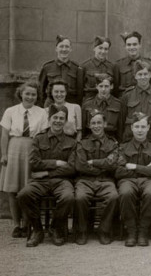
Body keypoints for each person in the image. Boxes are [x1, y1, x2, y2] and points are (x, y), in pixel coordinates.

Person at [18, 105, 76, 247]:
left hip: (62, 181)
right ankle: (37, 230)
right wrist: (56, 162)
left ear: (65, 121)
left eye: (61, 118)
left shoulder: (72, 142)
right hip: (40, 181)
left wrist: (47, 171)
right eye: (55, 118)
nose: (58, 121)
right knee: (23, 195)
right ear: (49, 120)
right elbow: (34, 162)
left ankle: (55, 227)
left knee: (68, 197)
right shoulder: (38, 139)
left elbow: (72, 167)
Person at [0, 81, 48, 238]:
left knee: (28, 189)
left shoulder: (42, 113)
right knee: (13, 189)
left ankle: (27, 224)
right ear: (20, 94)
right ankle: (16, 224)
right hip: (14, 148)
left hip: (32, 149)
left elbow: (43, 136)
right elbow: (5, 134)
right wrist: (4, 154)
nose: (30, 97)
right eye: (27, 93)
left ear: (37, 96)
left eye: (33, 94)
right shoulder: (11, 111)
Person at [74, 109, 119, 245]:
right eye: (93, 123)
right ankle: (82, 231)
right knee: (80, 197)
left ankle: (103, 230)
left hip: (106, 180)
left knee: (113, 197)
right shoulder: (82, 143)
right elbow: (80, 166)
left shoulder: (113, 143)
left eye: (99, 122)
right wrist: (102, 166)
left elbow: (113, 164)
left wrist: (92, 162)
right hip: (85, 180)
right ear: (89, 125)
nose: (96, 126)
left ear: (105, 124)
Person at [115, 112, 151, 247]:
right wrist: (146, 169)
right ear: (132, 128)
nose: (140, 130)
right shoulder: (123, 148)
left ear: (148, 128)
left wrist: (133, 166)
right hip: (128, 180)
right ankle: (131, 231)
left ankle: (143, 231)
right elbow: (118, 171)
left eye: (143, 126)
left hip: (149, 181)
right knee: (126, 193)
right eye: (137, 127)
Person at [120, 60, 151, 143]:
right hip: (131, 138)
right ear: (135, 76)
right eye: (140, 74)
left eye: (145, 74)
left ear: (150, 75)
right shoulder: (127, 95)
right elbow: (121, 121)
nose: (143, 77)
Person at [38, 35, 83, 105]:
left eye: (67, 47)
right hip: (51, 105)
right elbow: (40, 90)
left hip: (70, 104)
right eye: (61, 46)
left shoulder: (77, 68)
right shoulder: (47, 67)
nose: (64, 49)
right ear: (56, 49)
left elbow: (80, 93)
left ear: (71, 49)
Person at [81, 74, 122, 140]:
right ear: (96, 86)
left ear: (111, 86)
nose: (103, 89)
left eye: (106, 86)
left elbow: (120, 129)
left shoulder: (118, 104)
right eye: (101, 86)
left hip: (111, 141)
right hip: (91, 140)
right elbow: (83, 129)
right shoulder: (87, 104)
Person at [113, 31, 151, 97]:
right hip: (125, 101)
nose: (132, 47)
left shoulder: (149, 63)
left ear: (140, 45)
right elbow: (115, 90)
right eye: (129, 45)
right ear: (125, 46)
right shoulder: (118, 65)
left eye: (134, 44)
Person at [81, 36, 114, 101]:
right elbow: (80, 90)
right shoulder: (84, 66)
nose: (103, 51)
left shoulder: (112, 66)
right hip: (89, 103)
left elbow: (114, 89)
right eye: (100, 48)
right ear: (94, 48)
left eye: (106, 49)